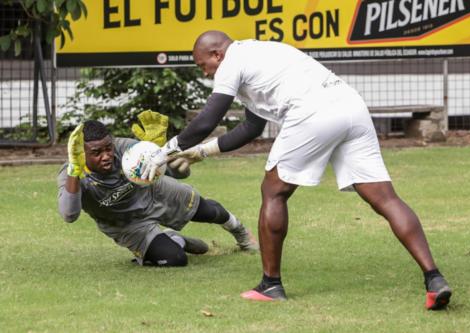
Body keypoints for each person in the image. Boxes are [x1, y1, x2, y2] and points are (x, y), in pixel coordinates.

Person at [141, 31, 452, 309]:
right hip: (351, 106)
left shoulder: (233, 61)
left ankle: (271, 285)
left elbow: (209, 118)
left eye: (202, 65)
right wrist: (201, 151)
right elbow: (252, 126)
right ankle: (434, 278)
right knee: (384, 197)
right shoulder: (262, 53)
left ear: (216, 54)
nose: (205, 73)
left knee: (273, 191)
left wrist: (164, 151)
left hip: (313, 112)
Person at [57, 115, 258, 267]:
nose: (107, 156)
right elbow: (69, 215)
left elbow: (180, 173)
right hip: (128, 225)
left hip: (155, 193)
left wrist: (157, 150)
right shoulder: (71, 174)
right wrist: (74, 170)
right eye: (97, 153)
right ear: (82, 153)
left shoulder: (126, 149)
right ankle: (176, 239)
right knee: (175, 260)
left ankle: (241, 233)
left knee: (209, 211)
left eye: (108, 148)